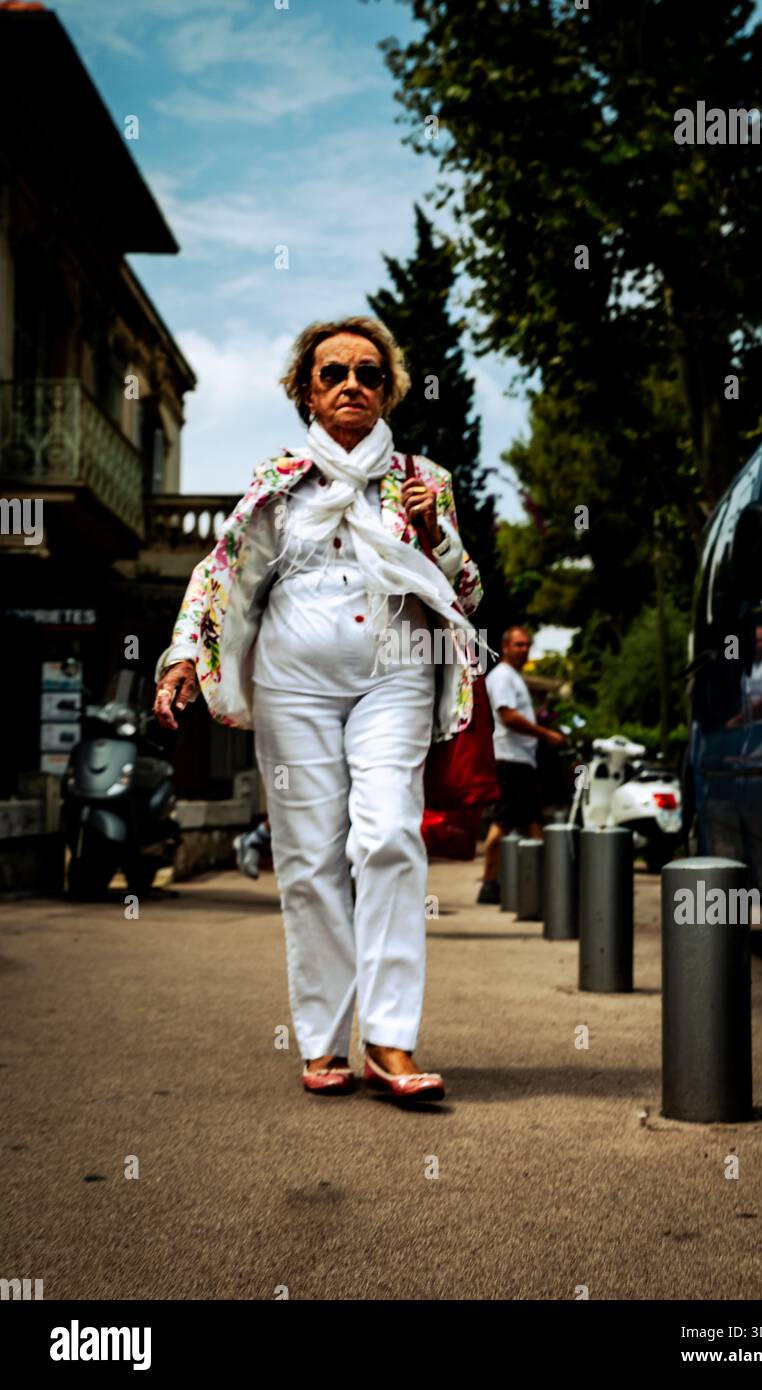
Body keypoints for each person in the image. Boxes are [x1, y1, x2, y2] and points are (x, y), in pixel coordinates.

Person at [152, 316, 486, 1101]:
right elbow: (222, 574)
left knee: (389, 838)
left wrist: (434, 537)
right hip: (293, 685)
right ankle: (322, 1040)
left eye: (369, 374)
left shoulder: (424, 480)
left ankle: (391, 1040)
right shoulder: (280, 480)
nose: (351, 387)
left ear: (388, 389)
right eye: (334, 372)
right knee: (308, 860)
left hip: (394, 676)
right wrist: (179, 659)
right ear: (307, 387)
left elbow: (467, 593)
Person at [477, 626, 568, 904]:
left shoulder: (513, 677)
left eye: (527, 644)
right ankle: (492, 883)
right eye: (518, 644)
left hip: (520, 760)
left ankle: (532, 883)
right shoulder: (502, 676)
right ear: (505, 647)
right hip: (510, 759)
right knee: (508, 821)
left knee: (529, 821)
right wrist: (545, 734)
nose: (523, 649)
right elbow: (508, 716)